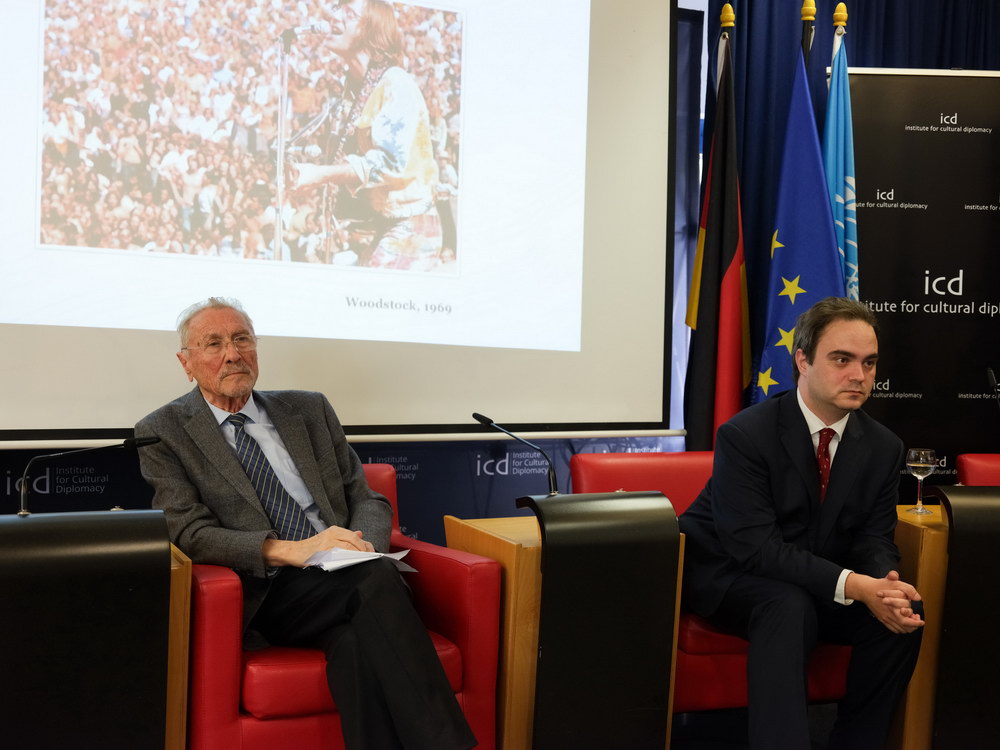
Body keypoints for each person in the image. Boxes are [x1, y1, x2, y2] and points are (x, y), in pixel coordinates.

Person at [134, 297, 475, 750]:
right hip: (271, 588)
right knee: (375, 581)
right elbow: (188, 533)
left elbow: (366, 497)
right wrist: (291, 550)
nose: (232, 354)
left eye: (241, 339)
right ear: (186, 363)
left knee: (354, 643)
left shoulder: (309, 410)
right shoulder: (164, 431)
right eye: (213, 343)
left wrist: (362, 547)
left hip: (349, 571)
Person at [678, 297, 924, 750]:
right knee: (787, 605)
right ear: (803, 361)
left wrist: (884, 584)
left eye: (869, 362)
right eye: (842, 359)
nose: (859, 375)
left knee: (901, 616)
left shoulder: (884, 446)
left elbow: (874, 537)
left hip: (815, 577)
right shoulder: (746, 435)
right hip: (732, 574)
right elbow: (755, 548)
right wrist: (856, 586)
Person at [290, 0, 444, 271]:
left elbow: (388, 163)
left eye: (349, 13)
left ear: (371, 31)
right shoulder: (355, 88)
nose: (334, 17)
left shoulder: (396, 84)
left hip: (411, 229)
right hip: (383, 224)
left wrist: (321, 174)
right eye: (337, 10)